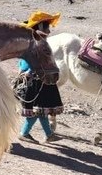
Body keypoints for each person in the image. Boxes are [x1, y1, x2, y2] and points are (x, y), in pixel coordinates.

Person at [16, 11, 65, 144]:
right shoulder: (35, 42)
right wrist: (30, 71)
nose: (49, 30)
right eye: (47, 26)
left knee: (41, 110)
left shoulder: (34, 40)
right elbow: (32, 60)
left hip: (40, 79)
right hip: (37, 80)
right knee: (38, 110)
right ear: (40, 27)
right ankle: (24, 133)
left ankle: (49, 134)